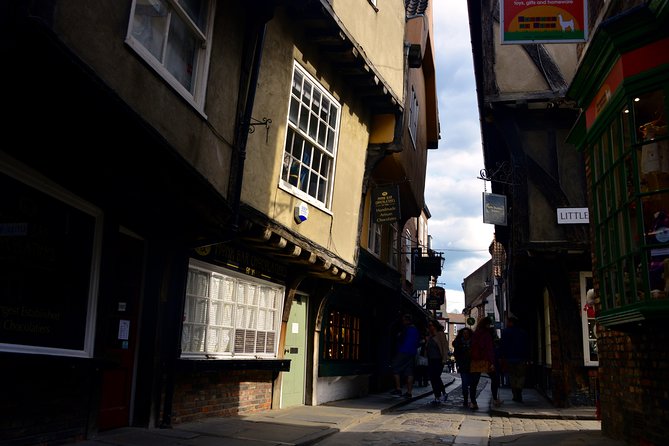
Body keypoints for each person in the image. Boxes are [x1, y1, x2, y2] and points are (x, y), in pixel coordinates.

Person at [468, 316, 496, 410]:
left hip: (475, 360)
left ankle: (473, 402)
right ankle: (495, 399)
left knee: (474, 383)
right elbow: (489, 349)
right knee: (495, 378)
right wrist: (492, 362)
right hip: (485, 360)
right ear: (487, 324)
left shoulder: (476, 333)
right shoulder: (487, 334)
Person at [390, 314, 420, 398]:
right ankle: (409, 392)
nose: (403, 322)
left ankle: (398, 389)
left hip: (403, 351)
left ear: (407, 321)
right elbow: (418, 342)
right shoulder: (416, 330)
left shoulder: (406, 329)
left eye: (403, 320)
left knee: (395, 367)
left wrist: (399, 335)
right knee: (409, 372)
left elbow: (400, 338)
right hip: (412, 352)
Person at [501, 315, 530, 403]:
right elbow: (527, 346)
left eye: (508, 322)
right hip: (521, 357)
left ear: (511, 323)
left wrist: (503, 357)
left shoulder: (505, 332)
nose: (507, 323)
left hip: (510, 358)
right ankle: (519, 390)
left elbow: (503, 346)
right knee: (521, 375)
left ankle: (515, 393)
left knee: (512, 376)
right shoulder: (523, 332)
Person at [426, 319, 449, 405]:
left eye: (431, 325)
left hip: (438, 359)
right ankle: (438, 396)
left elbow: (444, 347)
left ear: (435, 326)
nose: (430, 327)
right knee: (433, 378)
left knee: (436, 377)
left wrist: (444, 359)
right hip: (431, 359)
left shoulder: (440, 334)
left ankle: (442, 394)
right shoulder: (430, 336)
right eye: (429, 325)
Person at [452, 327, 474, 409]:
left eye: (467, 333)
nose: (465, 335)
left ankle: (472, 399)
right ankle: (465, 399)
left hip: (472, 366)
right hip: (463, 366)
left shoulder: (473, 342)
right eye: (464, 333)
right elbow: (456, 354)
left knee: (472, 384)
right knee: (464, 383)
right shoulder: (458, 343)